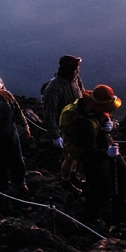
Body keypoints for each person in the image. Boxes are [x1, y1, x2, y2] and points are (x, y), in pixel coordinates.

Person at [60, 84, 122, 229]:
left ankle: (108, 204)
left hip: (99, 148)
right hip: (91, 157)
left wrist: (108, 122)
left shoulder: (93, 110)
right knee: (97, 185)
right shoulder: (83, 122)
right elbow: (88, 152)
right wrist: (107, 153)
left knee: (108, 179)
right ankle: (91, 217)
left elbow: (103, 114)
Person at [42, 55, 85, 195]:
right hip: (64, 127)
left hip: (77, 123)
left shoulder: (75, 79)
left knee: (76, 153)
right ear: (69, 69)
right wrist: (55, 135)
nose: (78, 71)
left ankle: (73, 175)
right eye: (76, 69)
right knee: (69, 157)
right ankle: (66, 181)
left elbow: (82, 95)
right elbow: (49, 113)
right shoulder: (54, 88)